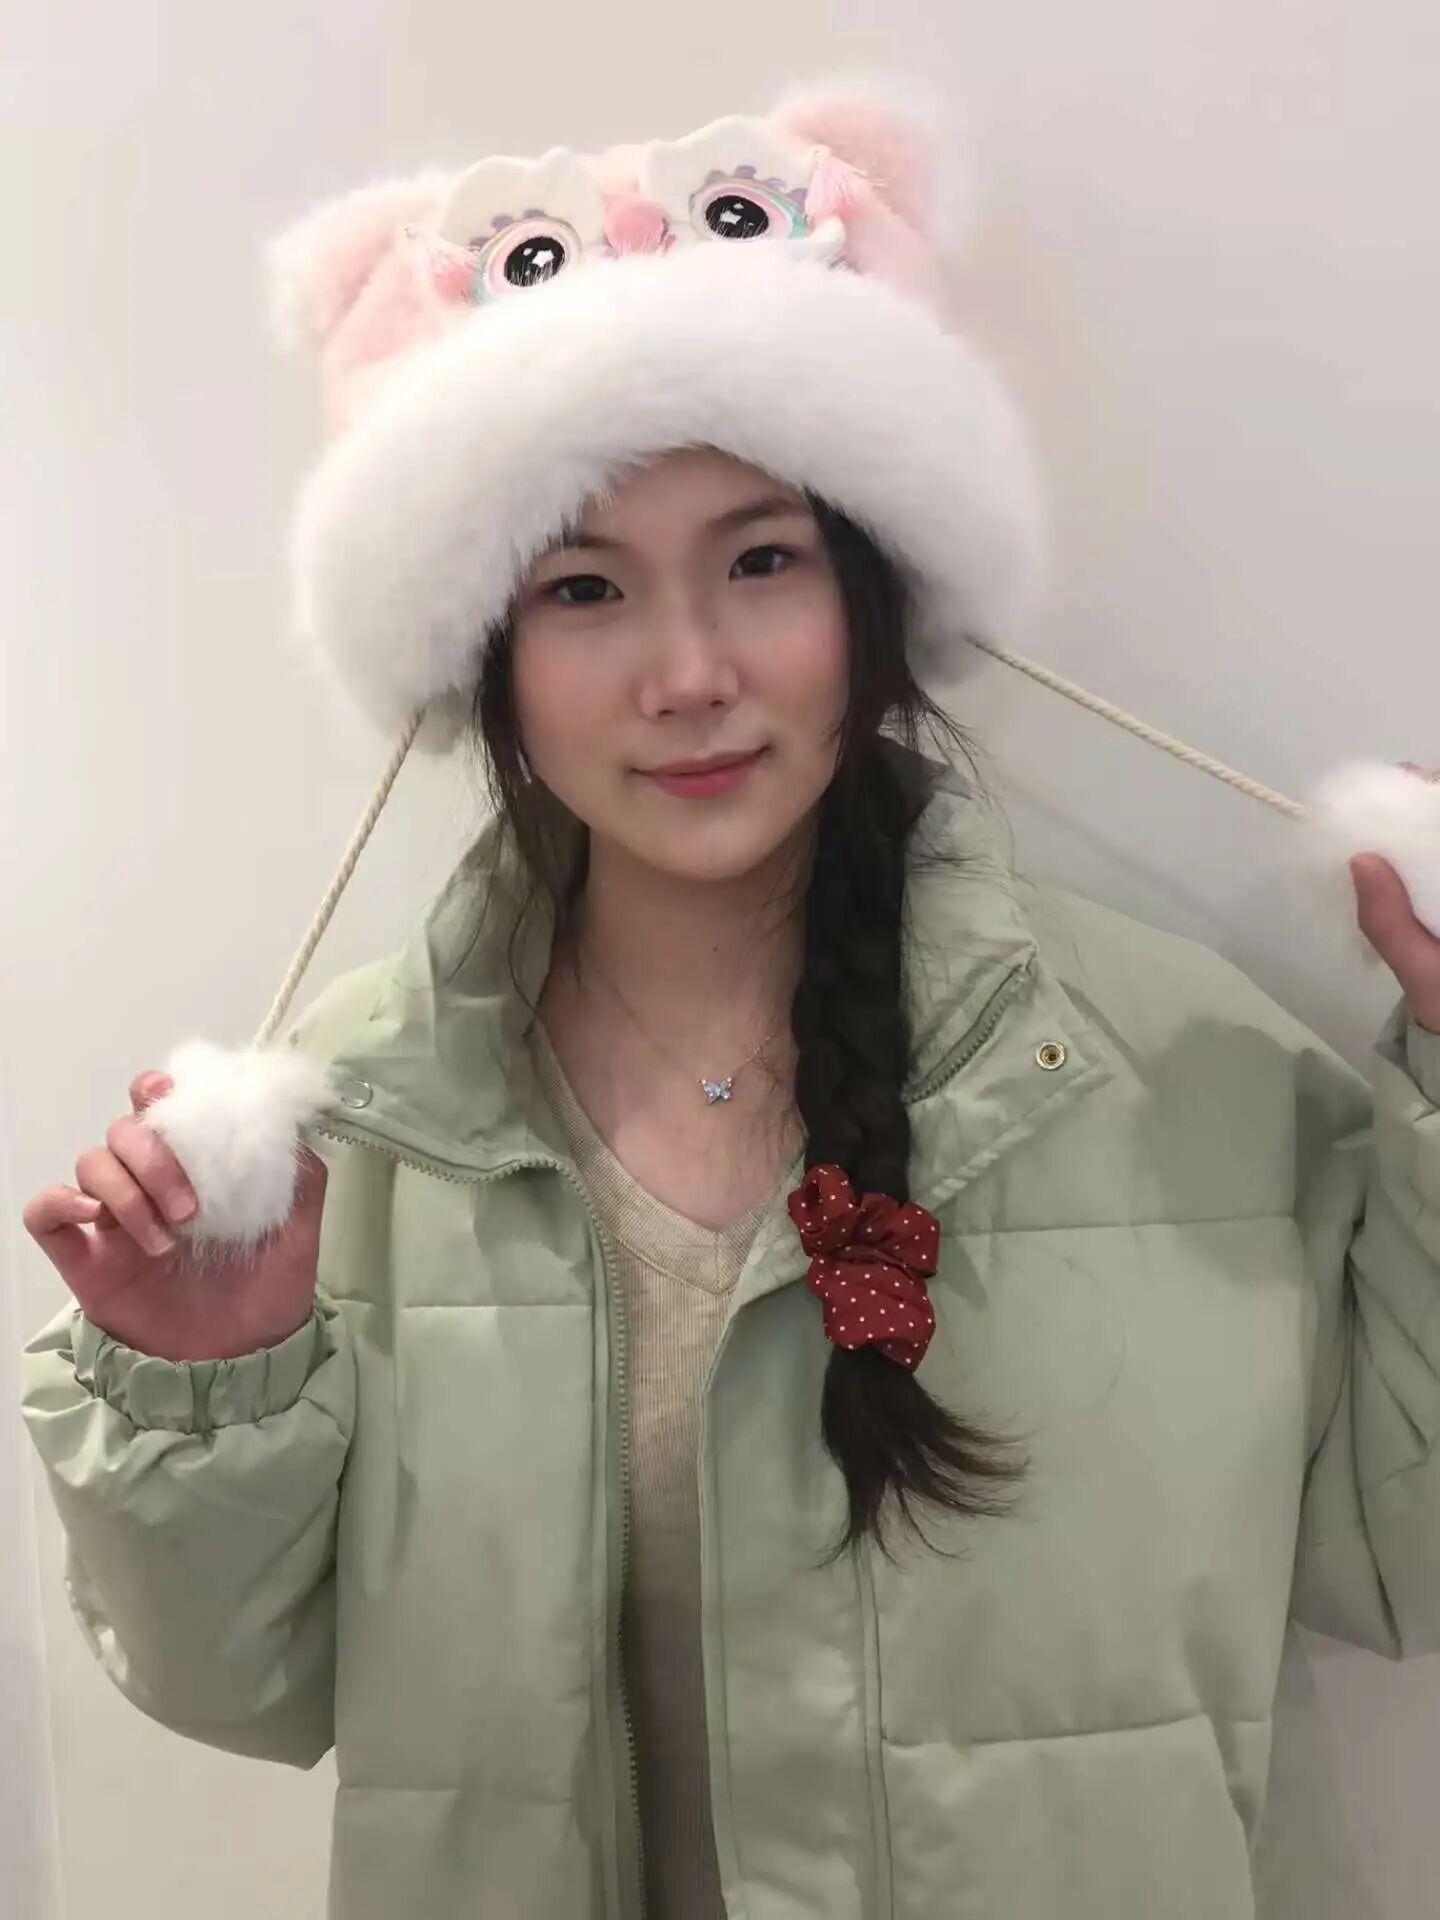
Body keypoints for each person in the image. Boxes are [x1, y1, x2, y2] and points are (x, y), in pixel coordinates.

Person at [17, 81, 1440, 1920]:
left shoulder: (1180, 1073)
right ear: (486, 654)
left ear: (869, 597)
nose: (688, 674)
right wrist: (210, 1389)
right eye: (585, 588)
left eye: (762, 561)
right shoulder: (350, 1130)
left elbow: (1404, 1555)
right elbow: (242, 1685)